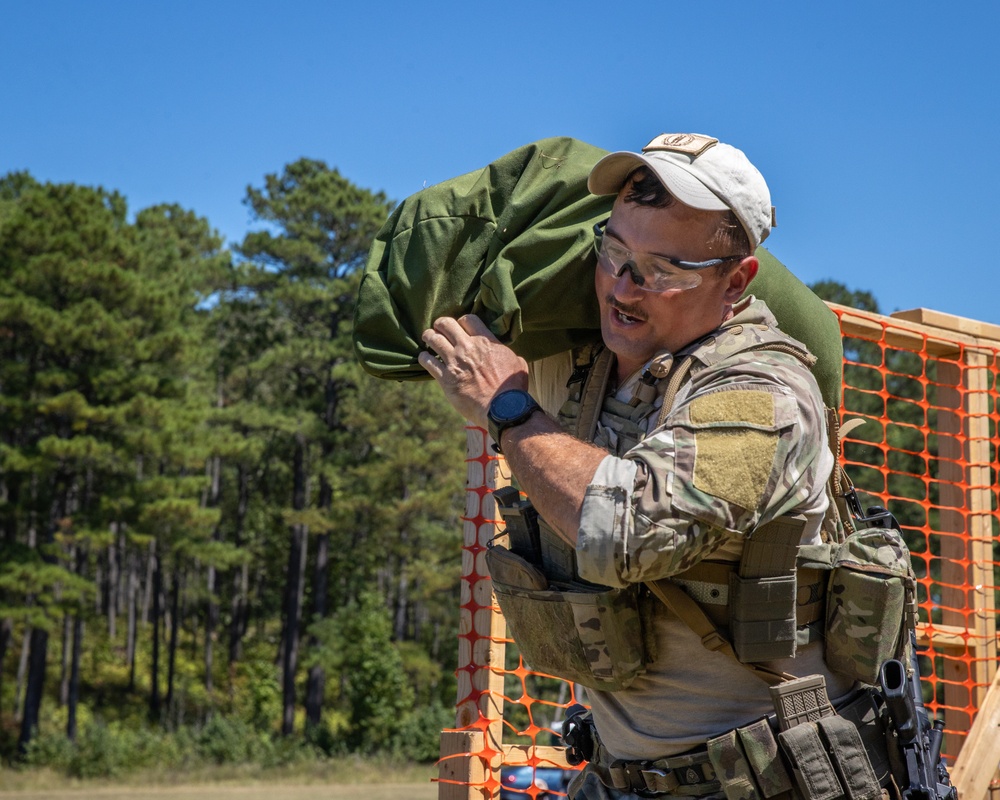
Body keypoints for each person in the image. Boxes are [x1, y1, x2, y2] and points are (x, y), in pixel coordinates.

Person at [418, 133, 862, 799]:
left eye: (663, 269)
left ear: (736, 282)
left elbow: (630, 532)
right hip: (616, 780)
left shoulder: (765, 391)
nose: (623, 287)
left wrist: (508, 409)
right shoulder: (585, 371)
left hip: (764, 784)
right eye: (614, 252)